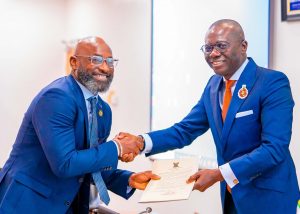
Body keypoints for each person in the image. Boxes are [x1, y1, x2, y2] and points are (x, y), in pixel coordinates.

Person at [115, 19, 300, 213]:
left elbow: (274, 148)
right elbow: (185, 130)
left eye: (221, 46)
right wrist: (141, 142)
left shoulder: (272, 82)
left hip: (269, 198)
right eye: (208, 47)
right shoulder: (213, 85)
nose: (213, 53)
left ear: (243, 46)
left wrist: (219, 174)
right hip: (231, 197)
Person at [0, 36, 159, 214]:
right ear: (74, 62)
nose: (105, 67)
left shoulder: (103, 110)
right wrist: (117, 148)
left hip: (68, 204)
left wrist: (127, 179)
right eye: (96, 59)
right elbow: (65, 164)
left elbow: (90, 161)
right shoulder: (56, 97)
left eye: (110, 61)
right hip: (29, 203)